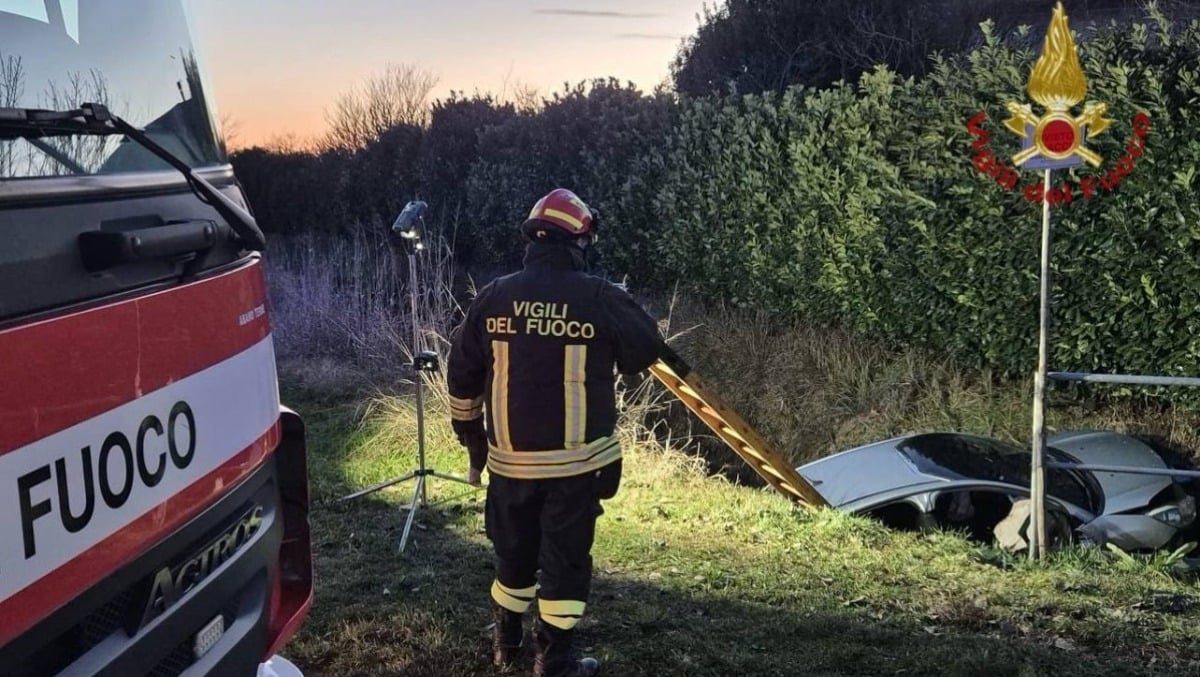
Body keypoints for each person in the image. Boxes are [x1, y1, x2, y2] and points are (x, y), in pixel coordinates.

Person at [447, 188, 661, 677]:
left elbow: (461, 373)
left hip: (509, 466)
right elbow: (644, 350)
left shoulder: (494, 296)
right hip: (577, 468)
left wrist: (472, 436)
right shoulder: (600, 296)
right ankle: (555, 661)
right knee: (564, 560)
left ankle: (506, 641)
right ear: (580, 241)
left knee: (513, 550)